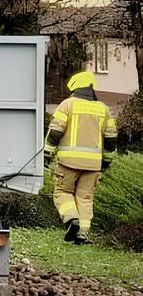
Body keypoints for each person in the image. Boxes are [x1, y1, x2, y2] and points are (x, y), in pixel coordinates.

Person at [46, 70, 118, 244]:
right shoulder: (104, 109)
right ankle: (82, 234)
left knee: (62, 192)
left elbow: (55, 132)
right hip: (93, 165)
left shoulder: (67, 105)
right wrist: (105, 163)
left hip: (68, 162)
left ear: (75, 87)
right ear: (91, 87)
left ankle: (72, 220)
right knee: (85, 198)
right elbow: (111, 140)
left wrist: (47, 154)